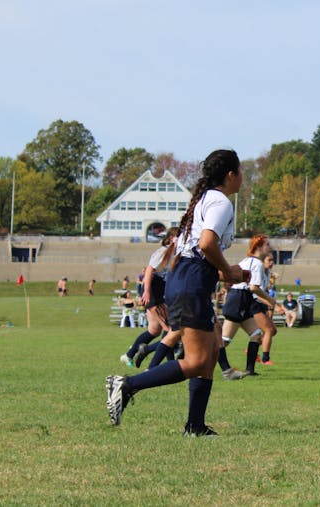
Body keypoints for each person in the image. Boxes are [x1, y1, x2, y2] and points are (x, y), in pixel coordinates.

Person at [106, 148, 250, 436]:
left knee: (209, 355)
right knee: (196, 360)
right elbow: (207, 245)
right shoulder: (221, 202)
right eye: (240, 171)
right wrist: (230, 272)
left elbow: (201, 251)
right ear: (231, 175)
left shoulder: (205, 199)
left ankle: (195, 426)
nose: (242, 176)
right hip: (191, 280)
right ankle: (127, 384)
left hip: (188, 277)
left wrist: (227, 272)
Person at [120, 227, 178, 368]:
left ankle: (129, 355)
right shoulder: (163, 251)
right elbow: (149, 270)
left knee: (154, 330)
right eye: (179, 237)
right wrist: (145, 292)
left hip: (160, 290)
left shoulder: (175, 253)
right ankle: (169, 363)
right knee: (170, 329)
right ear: (171, 238)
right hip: (153, 291)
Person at [222, 234, 277, 376]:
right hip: (238, 299)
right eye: (267, 244)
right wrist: (270, 300)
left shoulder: (249, 261)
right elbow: (253, 287)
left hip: (242, 300)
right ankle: (194, 357)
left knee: (257, 335)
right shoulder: (256, 263)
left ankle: (250, 370)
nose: (269, 247)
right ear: (259, 247)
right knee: (224, 341)